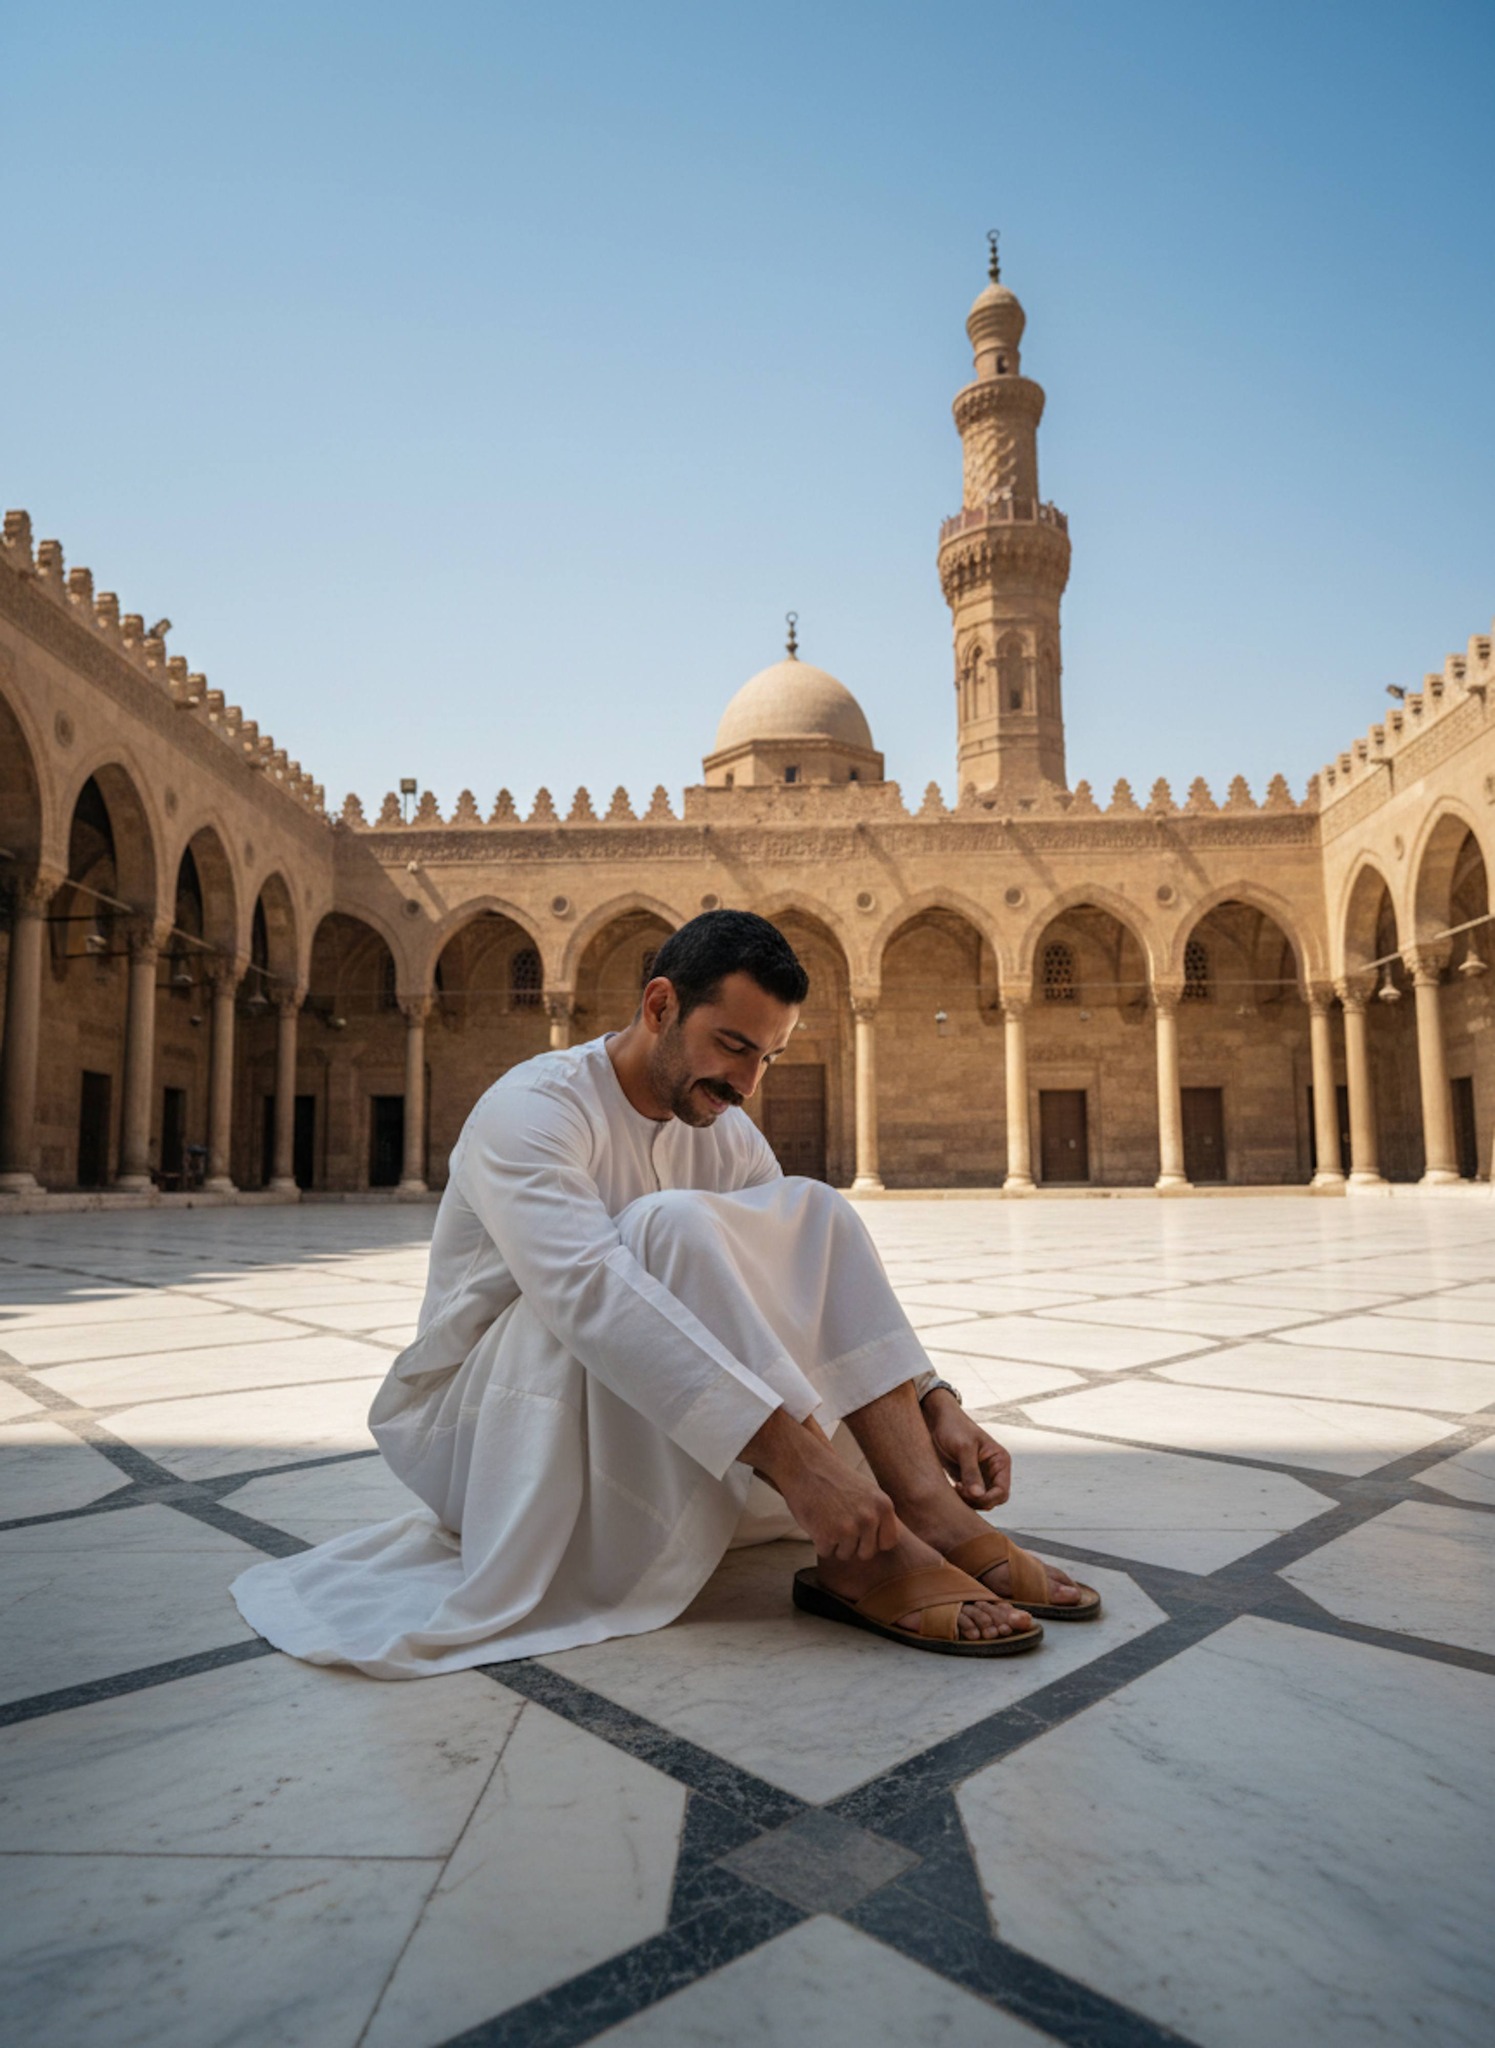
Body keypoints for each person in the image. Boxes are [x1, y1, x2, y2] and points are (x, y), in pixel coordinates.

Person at [232, 910, 1096, 1677]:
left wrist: (931, 1397)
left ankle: (927, 1511)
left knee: (813, 1206)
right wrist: (803, 1468)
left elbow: (810, 1269)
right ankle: (869, 1558)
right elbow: (589, 1295)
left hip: (641, 1410)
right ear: (658, 1008)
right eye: (732, 1046)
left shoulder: (722, 1125)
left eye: (768, 1057)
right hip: (486, 1432)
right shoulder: (532, 1110)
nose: (748, 1082)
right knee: (667, 1229)